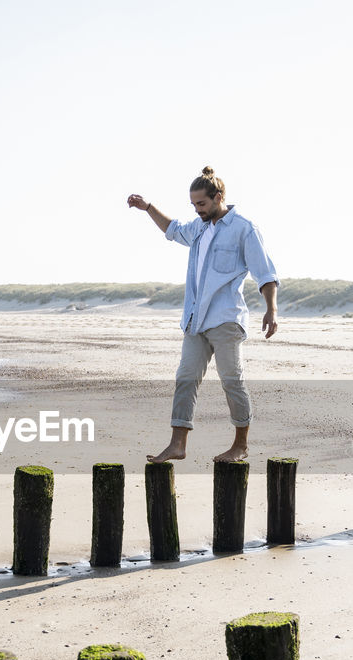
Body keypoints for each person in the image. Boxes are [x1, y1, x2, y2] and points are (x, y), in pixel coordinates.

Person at [127, 166, 280, 464]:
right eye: (194, 205)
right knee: (185, 378)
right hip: (196, 321)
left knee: (232, 380)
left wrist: (271, 309)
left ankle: (240, 445)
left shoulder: (244, 228)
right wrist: (147, 208)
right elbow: (172, 229)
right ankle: (177, 444)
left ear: (218, 197)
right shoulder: (199, 228)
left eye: (202, 204)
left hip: (225, 319)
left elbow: (266, 274)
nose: (197, 210)